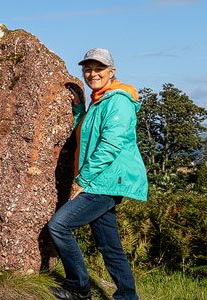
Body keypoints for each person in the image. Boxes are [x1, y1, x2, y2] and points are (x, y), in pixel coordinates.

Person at [47, 48, 148, 300]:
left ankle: (78, 288)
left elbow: (110, 146)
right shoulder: (100, 100)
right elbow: (87, 132)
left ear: (112, 72)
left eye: (98, 69)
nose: (92, 73)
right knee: (110, 246)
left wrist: (82, 180)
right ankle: (128, 296)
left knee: (59, 226)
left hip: (105, 181)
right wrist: (80, 109)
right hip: (102, 180)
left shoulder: (119, 100)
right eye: (88, 69)